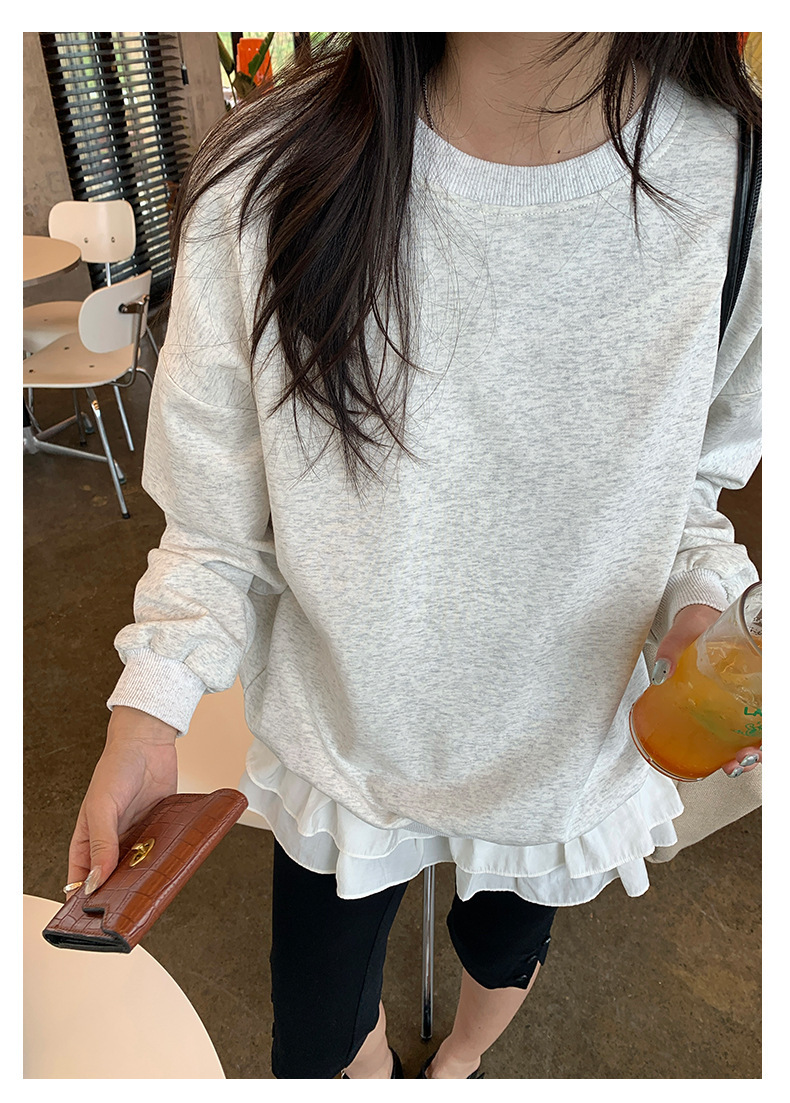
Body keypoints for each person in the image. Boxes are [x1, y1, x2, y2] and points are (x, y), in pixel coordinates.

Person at [65, 33, 762, 1079]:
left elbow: (689, 488)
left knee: (503, 949)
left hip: (558, 754)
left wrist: (705, 604)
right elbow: (214, 526)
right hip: (341, 748)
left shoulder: (746, 185)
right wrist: (147, 713)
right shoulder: (268, 175)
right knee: (316, 1040)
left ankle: (458, 1062)